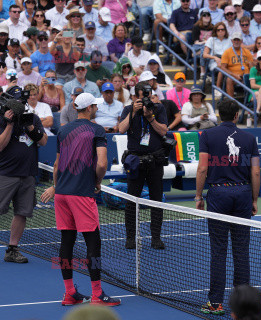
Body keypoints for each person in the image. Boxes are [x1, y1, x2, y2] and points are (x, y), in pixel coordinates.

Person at [39, 92, 120, 306]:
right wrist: (97, 181)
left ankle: (69, 293)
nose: (97, 108)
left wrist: (57, 187)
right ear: (90, 108)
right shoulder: (97, 129)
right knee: (93, 242)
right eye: (95, 105)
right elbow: (101, 164)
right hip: (81, 194)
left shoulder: (63, 130)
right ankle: (97, 294)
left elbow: (56, 165)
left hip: (62, 194)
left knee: (67, 241)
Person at [195, 99, 260, 316]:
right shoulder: (249, 138)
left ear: (219, 115)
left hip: (218, 195)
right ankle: (243, 305)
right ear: (236, 115)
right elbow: (256, 173)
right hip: (242, 194)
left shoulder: (207, 136)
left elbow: (203, 168)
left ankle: (215, 303)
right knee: (241, 250)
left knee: (218, 250)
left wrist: (198, 196)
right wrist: (254, 199)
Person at [118, 82, 168, 250]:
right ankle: (130, 237)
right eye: (141, 97)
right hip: (135, 160)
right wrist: (133, 111)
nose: (144, 100)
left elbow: (163, 131)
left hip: (155, 160)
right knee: (132, 199)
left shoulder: (158, 109)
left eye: (147, 95)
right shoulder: (128, 109)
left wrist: (150, 118)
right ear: (135, 96)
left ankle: (156, 237)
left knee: (156, 199)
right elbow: (121, 129)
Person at [0, 99, 48, 264]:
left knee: (22, 213)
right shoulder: (2, 119)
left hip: (27, 174)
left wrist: (30, 127)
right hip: (5, 173)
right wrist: (9, 124)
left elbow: (43, 141)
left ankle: (12, 250)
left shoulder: (32, 118)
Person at [220, 32, 253, 98]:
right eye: (235, 40)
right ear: (232, 41)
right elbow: (223, 68)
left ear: (241, 41)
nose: (236, 42)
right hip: (234, 77)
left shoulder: (246, 51)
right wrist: (234, 75)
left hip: (246, 76)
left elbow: (251, 66)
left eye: (238, 40)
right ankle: (231, 101)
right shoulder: (227, 52)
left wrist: (250, 76)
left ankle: (250, 100)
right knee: (229, 79)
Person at [193, 11, 214, 79]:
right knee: (204, 49)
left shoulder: (213, 27)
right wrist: (205, 42)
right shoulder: (196, 26)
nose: (207, 16)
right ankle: (203, 71)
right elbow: (195, 42)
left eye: (208, 15)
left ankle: (208, 73)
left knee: (206, 49)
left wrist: (207, 43)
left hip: (209, 46)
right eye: (204, 15)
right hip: (198, 46)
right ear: (201, 17)